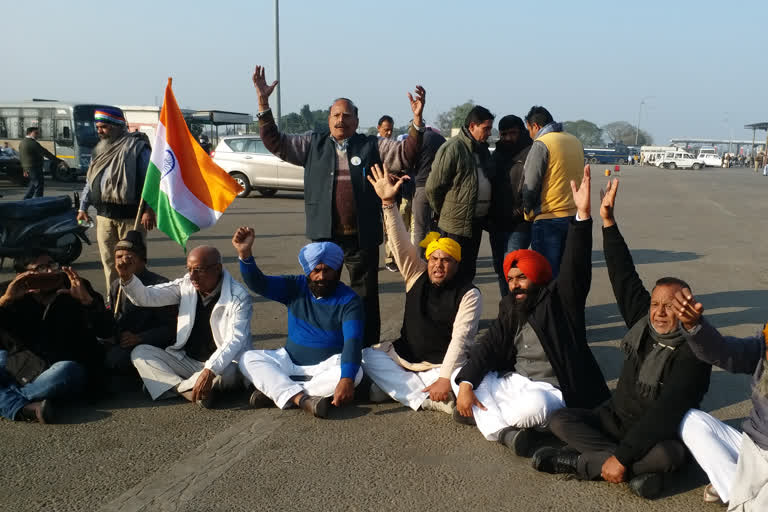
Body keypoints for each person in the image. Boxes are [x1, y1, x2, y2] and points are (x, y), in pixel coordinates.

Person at [532, 178, 712, 499]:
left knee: (669, 456)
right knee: (560, 419)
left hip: (659, 433)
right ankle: (632, 471)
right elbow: (623, 274)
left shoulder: (693, 352)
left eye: (669, 306)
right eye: (655, 303)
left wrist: (622, 456)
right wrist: (606, 221)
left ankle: (580, 464)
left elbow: (665, 413)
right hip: (615, 419)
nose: (658, 312)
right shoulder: (644, 322)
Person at [251, 65, 425, 348]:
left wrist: (416, 122)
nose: (340, 120)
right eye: (335, 115)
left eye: (346, 115)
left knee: (365, 296)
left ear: (356, 120)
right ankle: (328, 345)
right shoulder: (313, 144)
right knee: (322, 291)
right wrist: (263, 102)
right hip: (324, 237)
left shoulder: (373, 145)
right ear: (328, 119)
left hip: (362, 237)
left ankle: (366, 351)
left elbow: (406, 154)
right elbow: (276, 142)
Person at [453, 165, 609, 454]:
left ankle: (491, 421)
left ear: (536, 276)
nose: (515, 285)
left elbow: (576, 267)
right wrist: (466, 385)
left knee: (531, 408)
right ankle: (505, 432)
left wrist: (582, 217)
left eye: (521, 277)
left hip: (551, 391)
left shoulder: (560, 301)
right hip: (515, 382)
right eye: (511, 280)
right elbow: (490, 345)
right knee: (460, 376)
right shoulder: (510, 306)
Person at [361, 164, 481, 414]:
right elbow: (400, 242)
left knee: (468, 382)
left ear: (456, 264)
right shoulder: (416, 274)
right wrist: (387, 203)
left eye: (446, 260)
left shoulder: (469, 293)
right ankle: (425, 399)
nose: (438, 265)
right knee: (365, 357)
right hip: (404, 360)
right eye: (434, 259)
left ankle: (401, 391)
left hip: (442, 364)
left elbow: (461, 339)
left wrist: (445, 378)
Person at [233, 229, 364, 418]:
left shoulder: (349, 300)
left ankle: (280, 392)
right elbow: (259, 284)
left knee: (355, 373)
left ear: (337, 271)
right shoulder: (295, 287)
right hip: (289, 361)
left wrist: (346, 378)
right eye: (316, 271)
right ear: (307, 270)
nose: (321, 276)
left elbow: (353, 341)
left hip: (326, 367)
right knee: (248, 359)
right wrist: (245, 254)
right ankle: (304, 399)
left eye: (327, 270)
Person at [121, 245, 252, 408]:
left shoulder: (238, 297)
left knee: (226, 374)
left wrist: (209, 371)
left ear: (217, 268)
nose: (192, 276)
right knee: (141, 352)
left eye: (198, 270)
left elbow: (235, 339)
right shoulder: (187, 284)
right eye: (189, 269)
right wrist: (128, 279)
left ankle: (169, 386)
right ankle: (187, 391)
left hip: (223, 365)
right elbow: (148, 297)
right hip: (188, 360)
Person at [674, 297, 768, 507]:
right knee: (691, 420)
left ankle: (738, 492)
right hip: (752, 447)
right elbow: (727, 352)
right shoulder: (767, 340)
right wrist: (694, 326)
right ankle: (740, 488)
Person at [0, 251, 111, 423]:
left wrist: (88, 302)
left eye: (52, 265)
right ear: (22, 275)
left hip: (65, 368)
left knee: (65, 371)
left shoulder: (76, 286)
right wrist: (5, 301)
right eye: (41, 268)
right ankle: (26, 408)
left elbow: (108, 331)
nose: (51, 272)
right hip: (22, 367)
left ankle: (14, 402)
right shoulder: (9, 291)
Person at [77, 107, 156, 300]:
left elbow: (151, 182)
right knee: (109, 262)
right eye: (98, 127)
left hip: (132, 217)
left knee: (132, 262)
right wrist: (82, 207)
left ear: (118, 126)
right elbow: (91, 181)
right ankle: (114, 300)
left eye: (104, 127)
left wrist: (149, 209)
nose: (100, 131)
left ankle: (136, 300)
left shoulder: (138, 148)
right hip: (104, 216)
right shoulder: (99, 150)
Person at [426, 106, 495, 281]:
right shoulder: (453, 148)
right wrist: (443, 211)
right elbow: (433, 187)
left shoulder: (482, 150)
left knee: (467, 272)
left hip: (475, 223)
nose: (488, 133)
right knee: (450, 273)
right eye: (485, 128)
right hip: (453, 225)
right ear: (472, 126)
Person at [521, 106, 584, 277]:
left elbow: (530, 183)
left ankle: (551, 305)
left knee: (547, 274)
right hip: (573, 216)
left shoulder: (543, 143)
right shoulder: (574, 141)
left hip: (549, 218)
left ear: (535, 126)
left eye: (529, 130)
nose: (530, 135)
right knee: (568, 272)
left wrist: (527, 210)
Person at [104, 231, 177, 373]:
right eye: (119, 257)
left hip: (150, 345)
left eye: (129, 257)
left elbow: (172, 329)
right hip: (123, 342)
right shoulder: (116, 285)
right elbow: (114, 319)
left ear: (142, 259)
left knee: (115, 360)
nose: (123, 261)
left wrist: (140, 338)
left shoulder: (160, 285)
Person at [488, 115, 533, 296]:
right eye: (504, 134)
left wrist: (521, 210)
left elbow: (535, 187)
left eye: (512, 133)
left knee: (513, 267)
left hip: (520, 221)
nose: (508, 138)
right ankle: (507, 306)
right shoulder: (497, 154)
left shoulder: (531, 153)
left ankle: (517, 306)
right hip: (497, 221)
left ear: (521, 131)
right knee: (500, 268)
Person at [411, 127, 446, 253]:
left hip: (421, 186)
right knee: (438, 227)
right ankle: (437, 257)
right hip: (439, 188)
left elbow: (410, 162)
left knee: (420, 229)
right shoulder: (442, 140)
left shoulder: (418, 140)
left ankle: (419, 262)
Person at [19, 126, 61, 199]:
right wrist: (60, 161)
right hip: (34, 167)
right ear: (30, 133)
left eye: (38, 133)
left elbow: (22, 157)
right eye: (36, 133)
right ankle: (38, 201)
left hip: (29, 168)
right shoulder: (32, 143)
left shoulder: (22, 142)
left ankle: (25, 200)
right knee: (39, 185)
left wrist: (24, 169)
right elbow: (46, 153)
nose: (37, 135)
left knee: (33, 185)